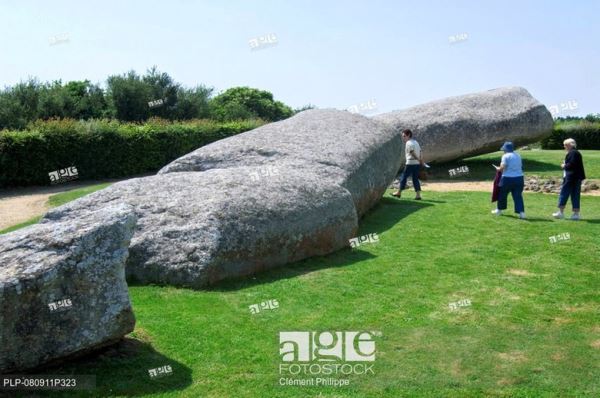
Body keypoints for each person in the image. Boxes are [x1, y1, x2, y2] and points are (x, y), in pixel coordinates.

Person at [553, 138, 586, 220]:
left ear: (568, 145)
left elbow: (571, 164)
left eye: (565, 145)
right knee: (575, 195)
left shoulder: (572, 153)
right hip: (577, 177)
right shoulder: (576, 152)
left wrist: (564, 166)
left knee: (564, 194)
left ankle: (561, 213)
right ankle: (576, 214)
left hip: (570, 177)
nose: (564, 147)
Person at [492, 141, 526, 219]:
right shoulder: (518, 155)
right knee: (518, 196)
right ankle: (522, 213)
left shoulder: (505, 156)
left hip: (507, 178)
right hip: (519, 178)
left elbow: (502, 167)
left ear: (506, 149)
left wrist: (498, 169)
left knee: (502, 194)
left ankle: (499, 210)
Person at [392, 129, 422, 200]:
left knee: (403, 177)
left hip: (410, 163)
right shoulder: (416, 142)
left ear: (408, 135)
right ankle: (418, 195)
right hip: (417, 163)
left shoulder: (408, 143)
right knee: (415, 179)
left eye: (404, 136)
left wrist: (418, 159)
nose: (403, 138)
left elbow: (411, 152)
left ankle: (399, 192)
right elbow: (421, 151)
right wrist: (420, 160)